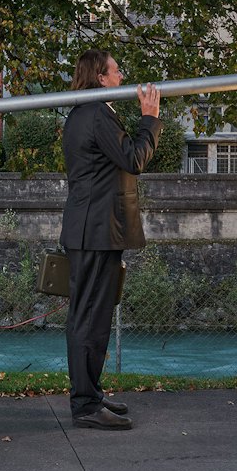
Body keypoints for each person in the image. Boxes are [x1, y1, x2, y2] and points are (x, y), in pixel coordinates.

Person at [60, 48, 161, 431]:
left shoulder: (86, 113)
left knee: (93, 317)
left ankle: (91, 393)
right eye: (116, 72)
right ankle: (85, 404)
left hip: (95, 229)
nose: (122, 77)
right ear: (100, 77)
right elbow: (133, 158)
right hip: (95, 230)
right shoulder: (97, 114)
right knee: (89, 318)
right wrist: (149, 120)